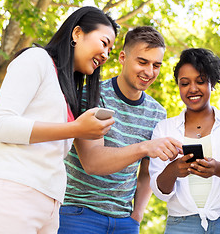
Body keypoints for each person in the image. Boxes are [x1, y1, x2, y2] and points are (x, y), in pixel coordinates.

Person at [0, 6, 118, 233]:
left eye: (110, 49)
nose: (106, 54)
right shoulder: (37, 59)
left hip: (50, 202)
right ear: (77, 34)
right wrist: (75, 128)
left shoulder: (68, 91)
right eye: (104, 43)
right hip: (14, 192)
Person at [58, 26, 182, 234]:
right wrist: (144, 147)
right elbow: (92, 162)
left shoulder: (157, 112)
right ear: (123, 58)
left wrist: (137, 215)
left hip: (124, 222)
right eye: (142, 62)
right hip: (78, 215)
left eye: (156, 65)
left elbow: (145, 173)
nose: (149, 72)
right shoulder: (92, 95)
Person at [149, 48, 220, 233]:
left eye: (200, 81)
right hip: (181, 225)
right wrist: (174, 170)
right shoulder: (164, 129)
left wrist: (217, 169)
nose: (192, 89)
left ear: (212, 83)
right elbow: (160, 190)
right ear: (178, 86)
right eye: (184, 83)